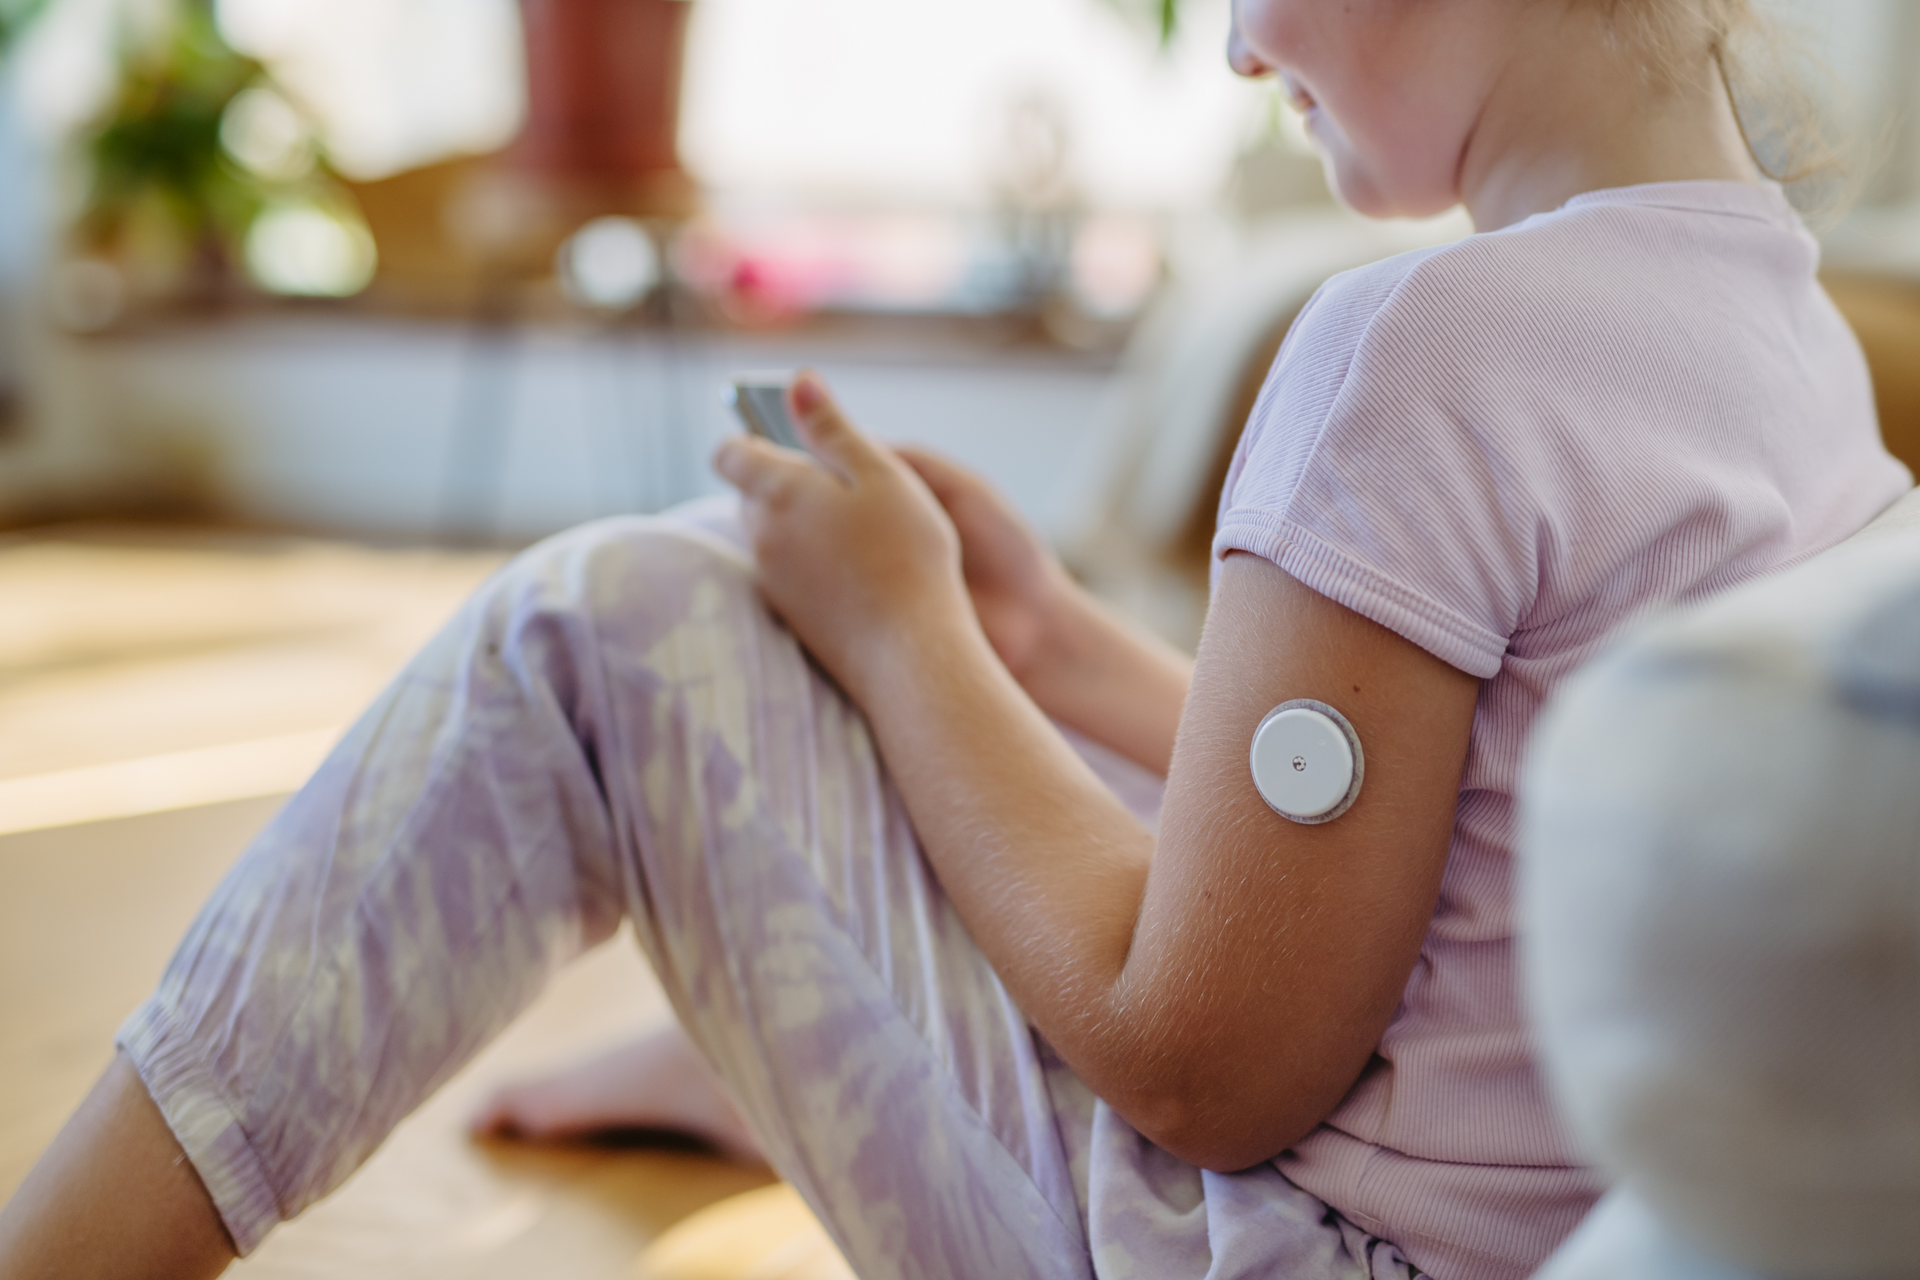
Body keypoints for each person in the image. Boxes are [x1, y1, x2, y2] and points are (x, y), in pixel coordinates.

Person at [1, 1, 1909, 1277]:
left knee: (613, 630)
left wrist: (911, 632)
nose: (1235, 44)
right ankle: (752, 1022)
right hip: (1536, 1207)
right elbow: (1488, 807)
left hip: (1316, 1249)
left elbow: (1200, 1068)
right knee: (994, 730)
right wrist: (1054, 650)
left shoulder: (1420, 354)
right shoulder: (1782, 330)